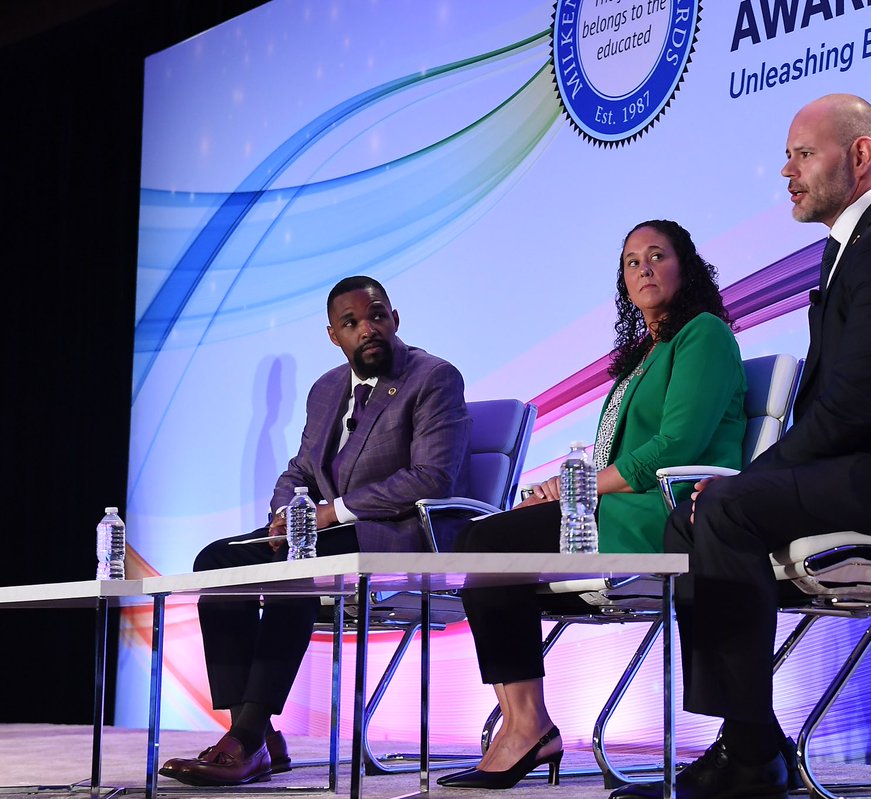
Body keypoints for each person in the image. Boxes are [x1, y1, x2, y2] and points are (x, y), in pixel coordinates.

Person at [612, 95, 871, 799]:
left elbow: (851, 405)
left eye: (803, 154)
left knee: (725, 508)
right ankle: (747, 740)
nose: (786, 171)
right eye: (788, 156)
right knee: (692, 515)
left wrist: (745, 482)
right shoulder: (852, 249)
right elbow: (840, 408)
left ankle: (752, 757)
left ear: (858, 156)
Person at [436, 220, 748, 790]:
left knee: (489, 541)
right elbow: (610, 453)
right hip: (611, 508)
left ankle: (526, 726)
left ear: (687, 267)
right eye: (632, 261)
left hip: (665, 511)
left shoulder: (704, 335)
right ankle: (520, 722)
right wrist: (560, 491)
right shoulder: (640, 357)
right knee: (488, 535)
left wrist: (580, 487)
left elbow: (679, 445)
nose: (644, 268)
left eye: (658, 255)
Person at [159, 275, 472, 787]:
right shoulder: (327, 388)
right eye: (351, 323)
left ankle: (246, 738)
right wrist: (286, 516)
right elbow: (300, 471)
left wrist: (334, 511)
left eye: (377, 316)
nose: (367, 329)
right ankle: (250, 734)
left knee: (300, 565)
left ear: (395, 319)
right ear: (334, 335)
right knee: (216, 560)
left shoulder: (433, 378)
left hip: (394, 536)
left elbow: (431, 478)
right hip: (325, 534)